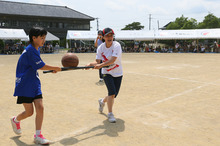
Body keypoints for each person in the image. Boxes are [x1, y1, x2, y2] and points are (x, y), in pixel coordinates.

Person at [11, 27, 61, 145]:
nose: (44, 40)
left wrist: (51, 69)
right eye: (41, 38)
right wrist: (54, 68)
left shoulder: (35, 49)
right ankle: (15, 120)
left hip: (34, 83)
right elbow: (40, 66)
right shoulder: (30, 50)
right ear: (34, 38)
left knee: (40, 107)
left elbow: (37, 65)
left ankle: (38, 135)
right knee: (29, 112)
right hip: (24, 84)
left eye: (44, 38)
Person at [87, 27, 123, 123]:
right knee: (111, 93)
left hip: (118, 72)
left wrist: (101, 65)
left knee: (113, 94)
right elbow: (97, 61)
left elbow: (112, 60)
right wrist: (90, 64)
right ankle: (110, 114)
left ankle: (102, 101)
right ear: (103, 37)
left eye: (111, 35)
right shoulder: (101, 48)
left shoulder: (116, 45)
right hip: (107, 73)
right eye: (107, 36)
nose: (110, 37)